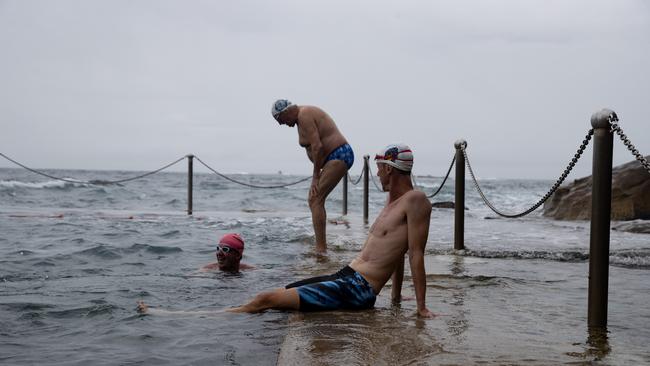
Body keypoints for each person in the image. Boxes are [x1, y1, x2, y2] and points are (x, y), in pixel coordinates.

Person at [228, 143, 434, 317]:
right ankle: (223, 315)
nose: (378, 173)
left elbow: (415, 253)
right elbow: (397, 251)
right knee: (285, 291)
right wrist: (395, 297)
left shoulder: (416, 200)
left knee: (265, 299)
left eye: (379, 167)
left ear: (389, 169)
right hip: (347, 276)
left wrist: (421, 307)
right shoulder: (393, 202)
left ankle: (210, 318)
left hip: (358, 289)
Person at [271, 99, 354, 252]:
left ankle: (321, 249)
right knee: (314, 200)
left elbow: (317, 146)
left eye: (280, 119)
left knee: (315, 199)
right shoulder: (300, 118)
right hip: (334, 157)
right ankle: (321, 246)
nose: (281, 124)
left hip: (339, 154)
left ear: (286, 111)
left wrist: (315, 176)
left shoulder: (304, 114)